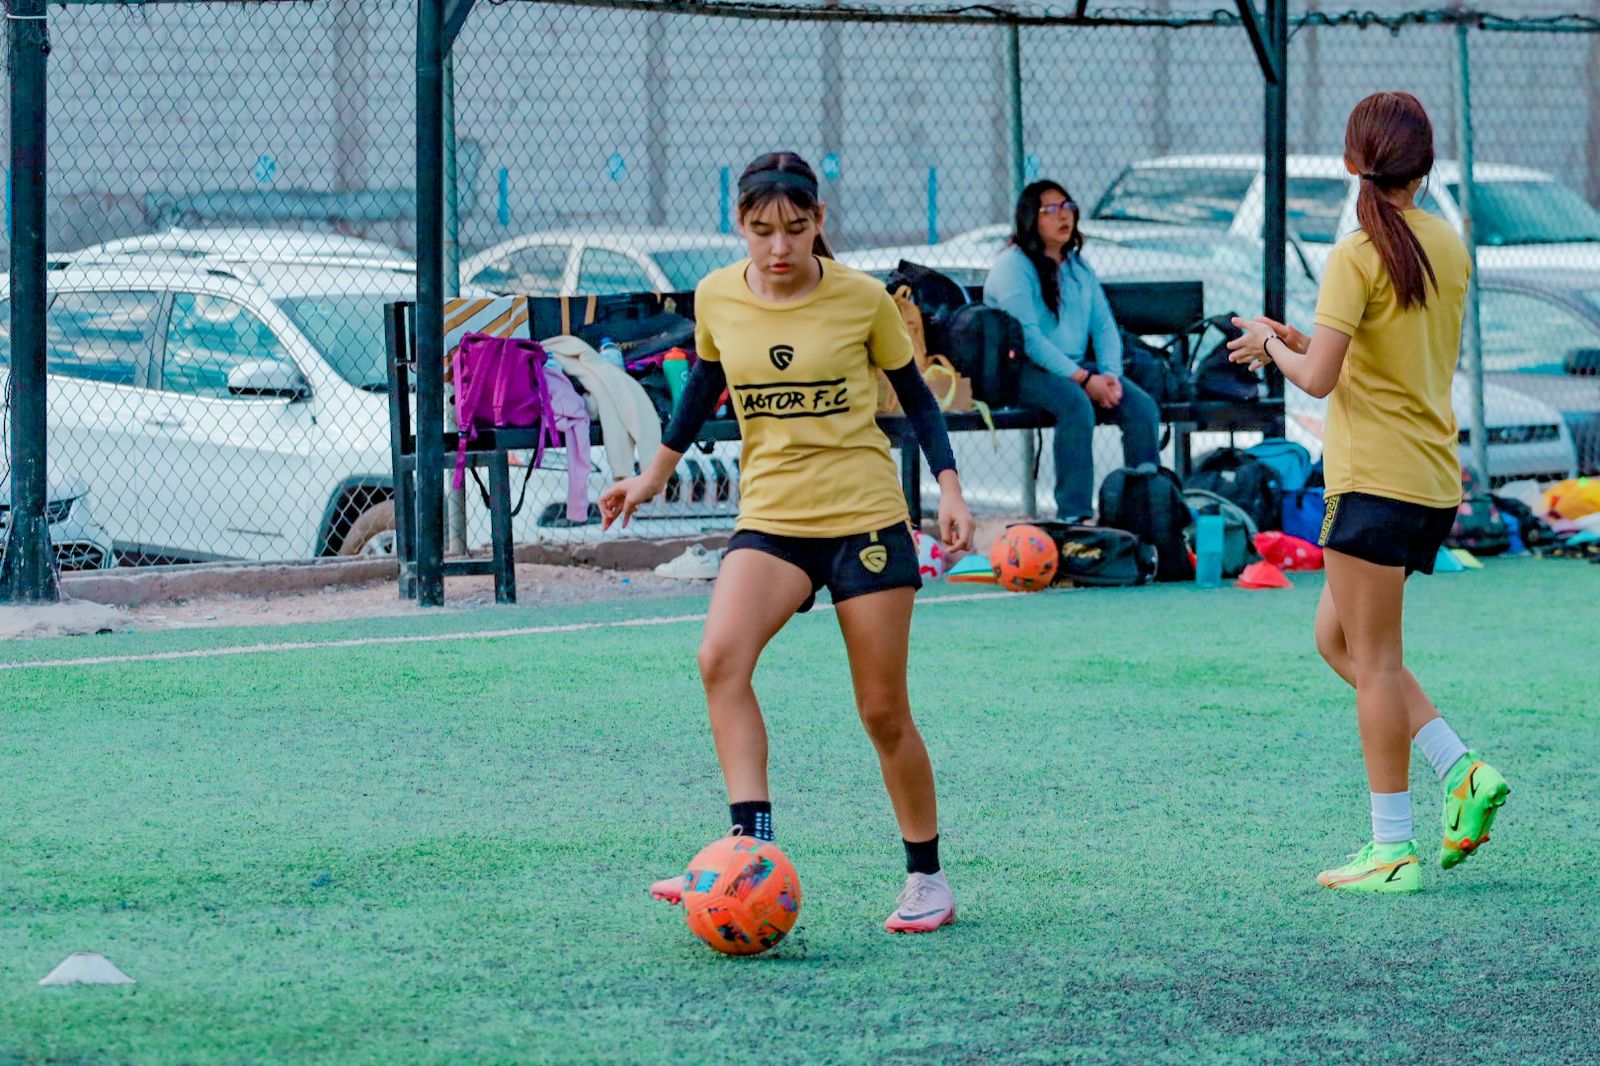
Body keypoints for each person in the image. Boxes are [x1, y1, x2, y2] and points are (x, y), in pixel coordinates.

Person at [600, 151, 976, 933]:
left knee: (881, 711)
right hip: (771, 519)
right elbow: (702, 391)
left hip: (864, 519)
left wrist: (947, 487)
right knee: (720, 659)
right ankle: (748, 851)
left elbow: (916, 401)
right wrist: (648, 478)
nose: (778, 248)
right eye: (762, 231)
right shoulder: (714, 296)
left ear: (819, 223)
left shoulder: (862, 299)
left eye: (795, 230)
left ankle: (927, 878)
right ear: (739, 225)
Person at [1228, 92, 1509, 893]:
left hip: (1373, 481)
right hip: (1427, 479)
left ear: (1354, 164)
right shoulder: (1449, 246)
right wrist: (1289, 333)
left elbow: (1320, 377)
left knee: (1375, 662)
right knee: (1337, 641)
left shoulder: (1355, 252)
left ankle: (1392, 850)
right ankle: (1462, 770)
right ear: (1423, 165)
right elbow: (1372, 350)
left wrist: (1272, 349)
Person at [983, 180, 1160, 523]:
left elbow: (1104, 326)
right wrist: (1083, 379)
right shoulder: (1012, 265)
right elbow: (1029, 339)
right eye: (1050, 209)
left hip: (1079, 369)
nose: (1063, 216)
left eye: (1067, 206)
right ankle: (1074, 518)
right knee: (1076, 406)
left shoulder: (1078, 267)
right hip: (1022, 371)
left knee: (1142, 409)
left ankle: (1146, 513)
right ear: (1030, 218)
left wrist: (1110, 376)